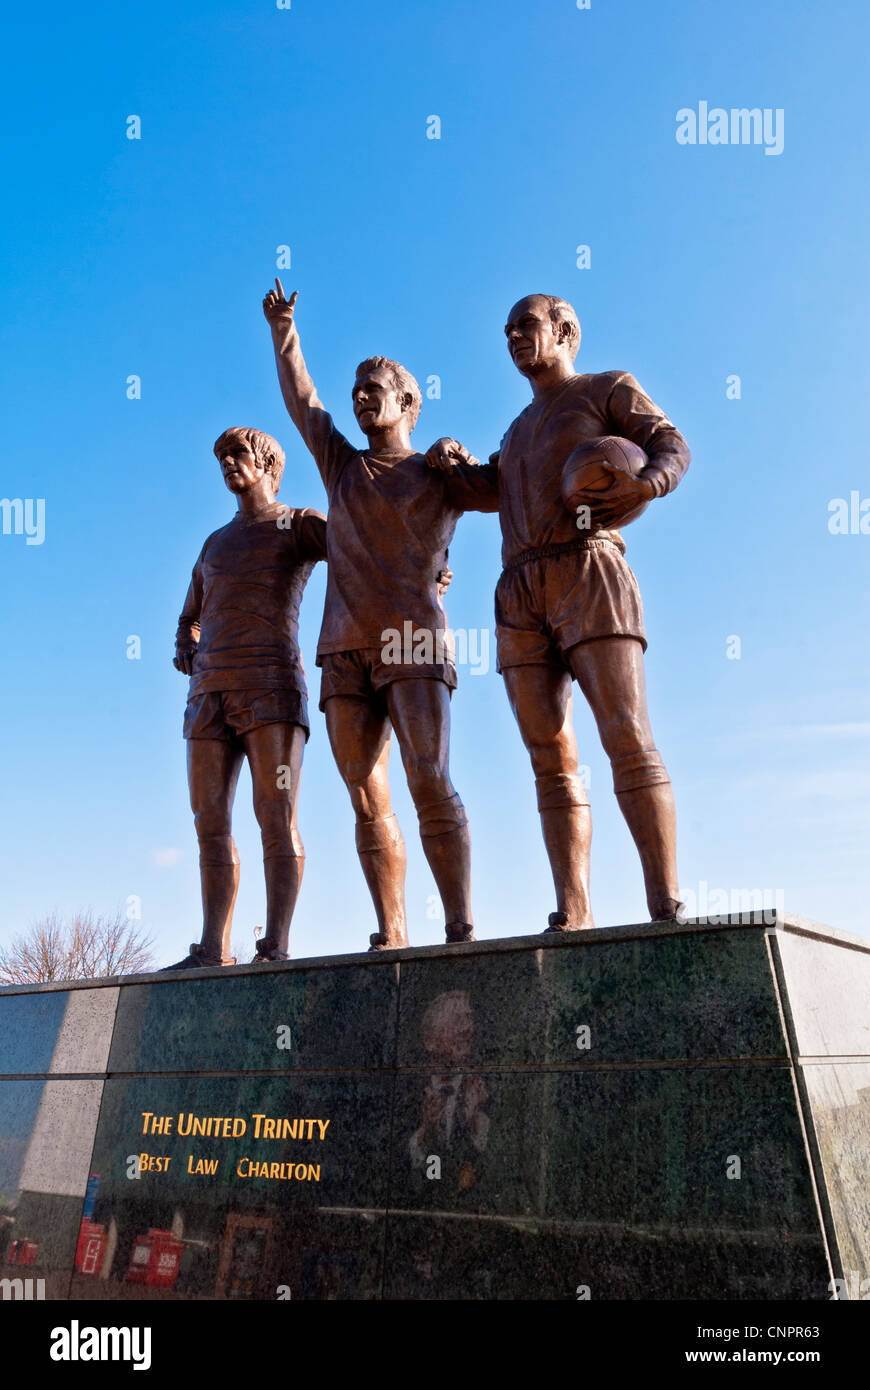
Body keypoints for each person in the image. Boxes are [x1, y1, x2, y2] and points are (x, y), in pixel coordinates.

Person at [429, 294, 690, 928]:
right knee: (548, 756)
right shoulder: (517, 429)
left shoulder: (608, 388)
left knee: (626, 735)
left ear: (565, 330)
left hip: (589, 566)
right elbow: (487, 488)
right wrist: (448, 464)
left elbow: (671, 444)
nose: (515, 336)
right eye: (507, 331)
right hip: (518, 588)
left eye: (528, 325)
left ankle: (665, 901)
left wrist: (648, 482)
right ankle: (573, 908)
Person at [263, 280, 498, 949]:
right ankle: (391, 930)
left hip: (413, 641)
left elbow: (507, 489)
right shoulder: (341, 465)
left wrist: (466, 462)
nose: (360, 397)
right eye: (356, 389)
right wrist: (285, 330)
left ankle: (458, 926)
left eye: (374, 387)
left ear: (407, 402)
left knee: (428, 777)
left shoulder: (437, 471)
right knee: (365, 795)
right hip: (342, 647)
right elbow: (302, 401)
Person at [166, 426, 326, 968]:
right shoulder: (213, 543)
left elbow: (365, 549)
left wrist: (431, 569)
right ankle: (213, 948)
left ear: (267, 463)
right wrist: (186, 643)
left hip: (272, 687)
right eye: (223, 458)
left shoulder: (298, 522)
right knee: (209, 820)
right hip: (208, 691)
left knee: (274, 814)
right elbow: (188, 618)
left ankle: (275, 944)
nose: (229, 464)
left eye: (238, 454)